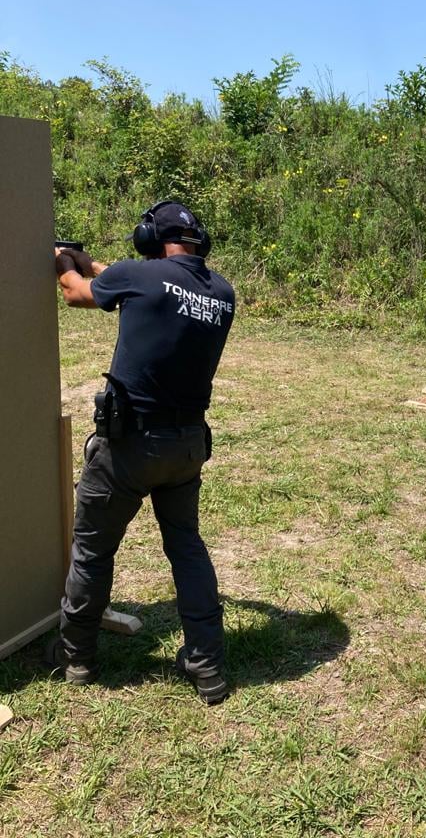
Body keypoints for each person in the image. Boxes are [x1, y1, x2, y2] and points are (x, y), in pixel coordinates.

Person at [49, 201, 235, 704]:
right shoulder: (221, 292)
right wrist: (89, 261)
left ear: (149, 236)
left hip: (129, 448)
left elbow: (75, 293)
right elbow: (136, 282)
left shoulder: (140, 277)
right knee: (187, 549)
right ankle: (207, 664)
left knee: (92, 550)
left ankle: (79, 658)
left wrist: (64, 261)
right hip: (187, 446)